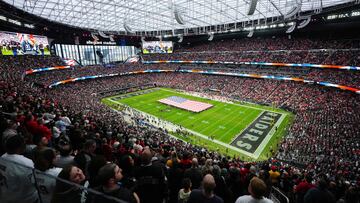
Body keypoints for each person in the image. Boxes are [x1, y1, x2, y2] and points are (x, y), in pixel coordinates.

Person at [0, 135, 39, 203]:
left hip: (6, 195)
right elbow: (32, 182)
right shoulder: (26, 162)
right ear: (20, 147)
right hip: (25, 198)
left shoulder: (2, 157)